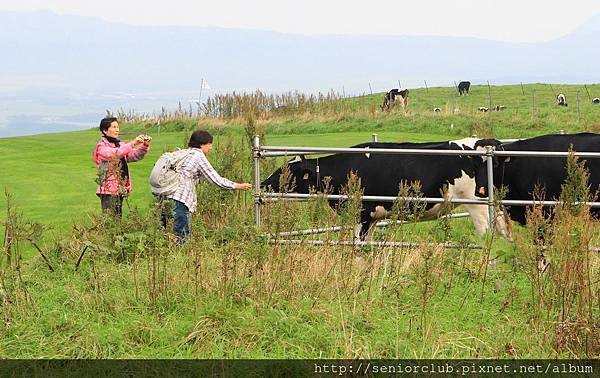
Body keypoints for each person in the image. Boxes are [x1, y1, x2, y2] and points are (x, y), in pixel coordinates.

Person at [159, 130, 252, 243]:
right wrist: (237, 186)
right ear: (202, 144)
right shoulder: (198, 156)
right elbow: (215, 179)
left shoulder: (185, 153)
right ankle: (179, 256)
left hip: (165, 195)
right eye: (210, 144)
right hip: (180, 199)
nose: (211, 147)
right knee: (182, 235)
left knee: (161, 232)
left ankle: (160, 255)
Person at [93, 116, 151, 216]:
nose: (117, 129)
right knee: (110, 220)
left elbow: (134, 156)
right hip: (108, 189)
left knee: (117, 218)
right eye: (114, 127)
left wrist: (144, 146)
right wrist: (133, 143)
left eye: (118, 127)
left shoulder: (119, 144)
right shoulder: (101, 147)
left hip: (120, 188)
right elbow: (115, 154)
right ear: (105, 131)